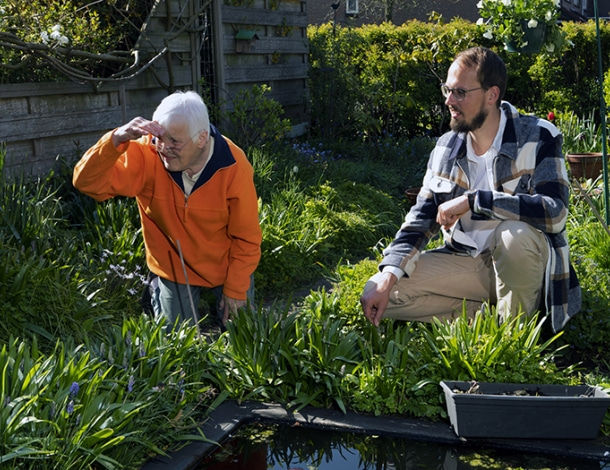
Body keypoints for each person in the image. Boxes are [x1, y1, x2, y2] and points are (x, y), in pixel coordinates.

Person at [360, 47, 581, 333]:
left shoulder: (538, 136)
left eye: (460, 92)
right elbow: (419, 221)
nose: (449, 101)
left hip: (525, 265)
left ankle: (513, 338)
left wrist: (474, 201)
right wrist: (389, 273)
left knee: (513, 234)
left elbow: (555, 213)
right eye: (447, 90)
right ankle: (493, 316)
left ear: (492, 94)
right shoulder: (445, 148)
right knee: (382, 294)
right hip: (469, 263)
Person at [73, 90, 262, 329]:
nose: (163, 148)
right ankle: (156, 287)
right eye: (160, 138)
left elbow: (246, 238)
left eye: (174, 141)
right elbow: (87, 183)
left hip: (225, 263)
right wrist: (114, 141)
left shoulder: (235, 166)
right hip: (173, 265)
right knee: (179, 340)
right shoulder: (146, 153)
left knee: (243, 331)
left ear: (201, 139)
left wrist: (235, 289)